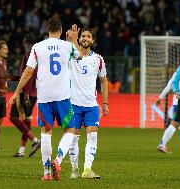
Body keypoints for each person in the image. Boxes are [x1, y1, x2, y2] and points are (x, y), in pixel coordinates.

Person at [8, 17, 82, 181]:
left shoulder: (37, 47)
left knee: (46, 133)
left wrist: (16, 92)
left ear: (47, 29)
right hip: (62, 97)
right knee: (70, 130)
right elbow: (80, 58)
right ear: (61, 30)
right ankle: (59, 159)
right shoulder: (68, 46)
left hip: (44, 98)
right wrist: (74, 40)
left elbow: (28, 72)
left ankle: (46, 174)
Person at [67, 28, 109, 179]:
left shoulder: (98, 59)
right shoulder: (71, 55)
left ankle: (87, 170)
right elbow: (67, 48)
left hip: (91, 106)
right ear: (79, 39)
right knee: (73, 139)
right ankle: (74, 170)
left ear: (92, 41)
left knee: (93, 137)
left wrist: (105, 102)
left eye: (88, 36)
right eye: (83, 36)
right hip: (73, 105)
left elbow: (104, 81)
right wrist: (70, 39)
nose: (85, 38)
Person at [10, 33, 40, 158]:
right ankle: (21, 151)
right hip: (34, 93)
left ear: (25, 41)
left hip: (26, 92)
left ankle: (35, 141)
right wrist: (13, 77)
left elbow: (28, 75)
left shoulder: (29, 54)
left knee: (13, 117)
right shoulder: (38, 55)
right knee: (26, 120)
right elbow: (27, 75)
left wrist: (26, 92)